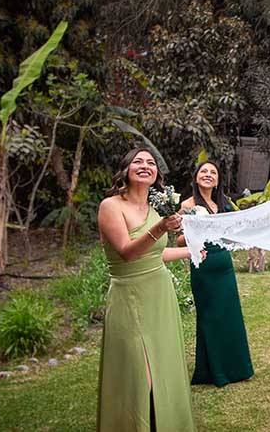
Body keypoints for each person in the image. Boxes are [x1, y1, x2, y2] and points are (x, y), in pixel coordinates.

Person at [96, 148, 196, 431]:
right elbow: (128, 253)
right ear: (125, 169)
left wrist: (190, 252)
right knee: (140, 377)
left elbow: (154, 255)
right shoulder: (111, 206)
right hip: (129, 296)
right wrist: (162, 228)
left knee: (164, 369)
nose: (145, 166)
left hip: (160, 295)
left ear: (156, 175)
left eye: (150, 163)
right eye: (137, 161)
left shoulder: (156, 209)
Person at [176, 160, 254, 387]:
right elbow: (179, 240)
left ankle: (239, 369)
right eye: (204, 171)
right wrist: (195, 233)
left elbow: (233, 232)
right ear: (196, 177)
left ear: (218, 180)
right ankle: (213, 372)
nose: (208, 175)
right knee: (209, 317)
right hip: (203, 265)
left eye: (213, 172)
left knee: (230, 316)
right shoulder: (187, 205)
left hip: (224, 265)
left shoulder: (224, 205)